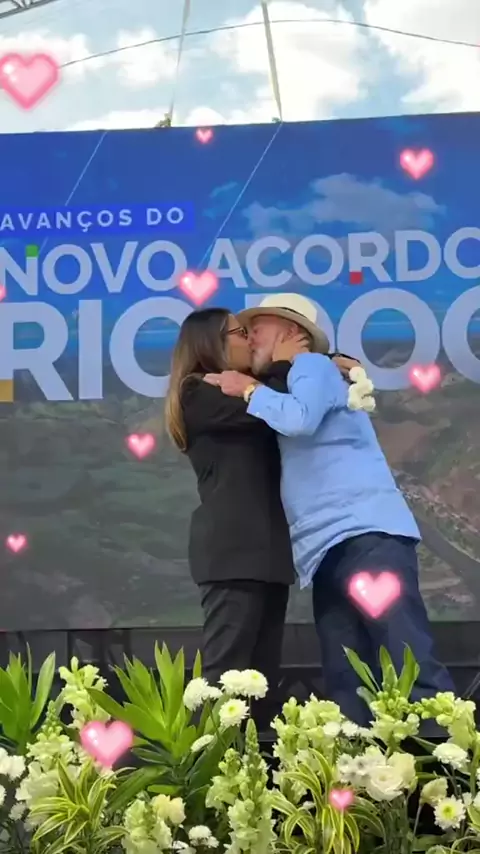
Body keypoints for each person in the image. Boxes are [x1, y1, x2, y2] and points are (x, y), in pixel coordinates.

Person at [205, 293, 455, 725]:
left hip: (364, 536)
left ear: (291, 331)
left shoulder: (312, 367)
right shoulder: (304, 374)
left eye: (259, 328)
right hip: (330, 548)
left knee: (404, 655)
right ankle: (366, 762)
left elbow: (301, 419)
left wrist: (247, 389)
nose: (251, 338)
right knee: (348, 672)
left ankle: (450, 754)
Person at [165, 306, 359, 726]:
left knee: (260, 681)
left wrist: (321, 363)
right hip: (234, 549)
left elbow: (281, 405)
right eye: (240, 333)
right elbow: (263, 413)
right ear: (211, 343)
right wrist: (286, 363)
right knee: (226, 677)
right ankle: (207, 765)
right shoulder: (199, 391)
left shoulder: (242, 387)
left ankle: (252, 766)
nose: (250, 340)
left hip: (269, 551)